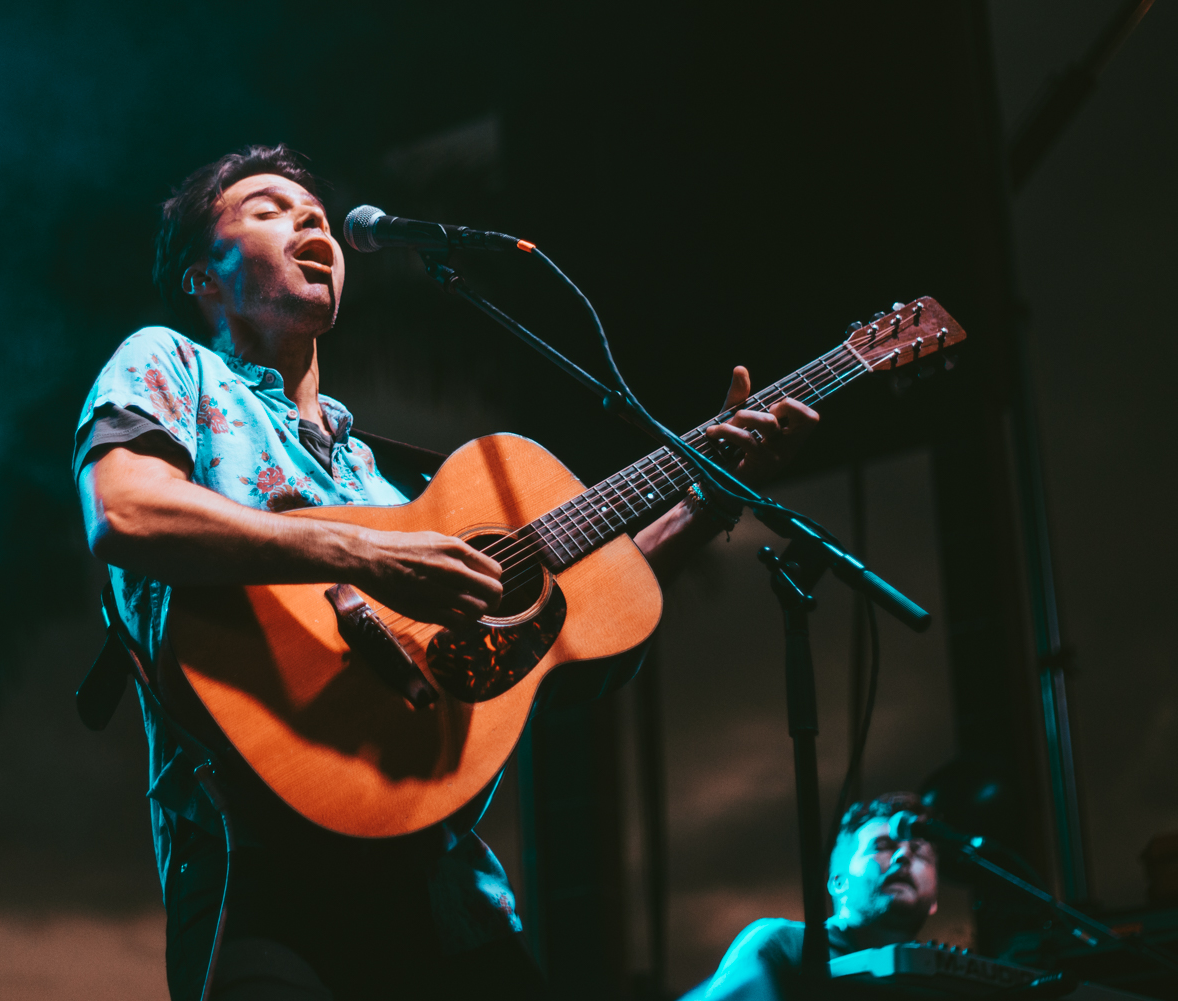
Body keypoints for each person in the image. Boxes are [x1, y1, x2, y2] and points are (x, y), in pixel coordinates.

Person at [74, 143, 819, 1001]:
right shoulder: (172, 365)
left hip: (449, 894)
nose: (310, 218)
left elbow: (570, 632)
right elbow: (127, 510)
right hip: (263, 867)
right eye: (268, 207)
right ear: (204, 279)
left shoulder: (387, 486)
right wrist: (367, 556)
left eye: (314, 209)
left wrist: (706, 500)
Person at [683, 792, 940, 1001]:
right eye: (883, 846)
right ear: (838, 882)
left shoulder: (939, 980)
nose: (903, 856)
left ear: (935, 901)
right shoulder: (784, 943)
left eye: (919, 852)